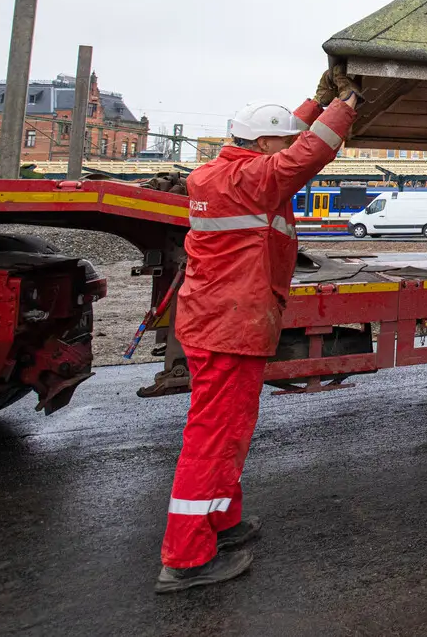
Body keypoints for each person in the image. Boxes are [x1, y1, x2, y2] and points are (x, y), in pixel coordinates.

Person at [156, 71, 358, 593]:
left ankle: (221, 523)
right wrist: (347, 105)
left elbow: (284, 147)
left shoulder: (217, 175)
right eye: (280, 138)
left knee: (230, 434)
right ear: (262, 144)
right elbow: (304, 155)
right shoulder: (253, 179)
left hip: (220, 320)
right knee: (212, 440)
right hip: (230, 324)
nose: (287, 143)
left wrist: (316, 101)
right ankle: (186, 559)